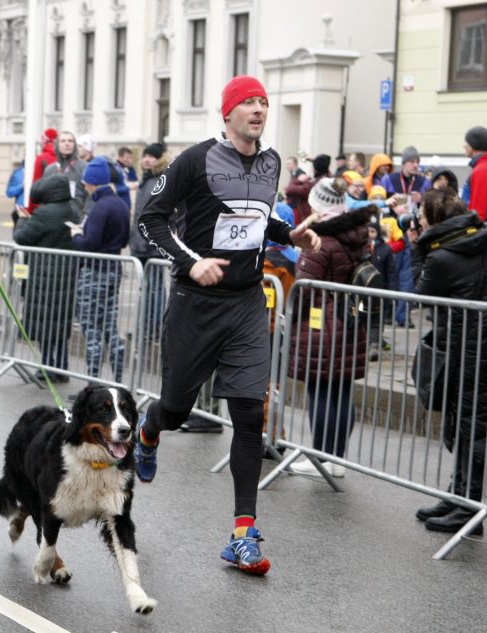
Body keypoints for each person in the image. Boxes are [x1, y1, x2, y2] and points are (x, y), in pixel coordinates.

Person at [135, 74, 320, 575]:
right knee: (175, 410)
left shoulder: (271, 161)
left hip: (245, 304)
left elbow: (257, 221)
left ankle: (243, 534)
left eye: (263, 102)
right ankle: (149, 431)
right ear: (228, 113)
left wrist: (291, 237)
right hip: (196, 302)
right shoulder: (195, 160)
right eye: (248, 103)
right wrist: (192, 262)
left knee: (248, 416)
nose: (259, 109)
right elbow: (150, 220)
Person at [410, 188, 487, 534]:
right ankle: (459, 496)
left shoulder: (442, 256)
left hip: (465, 345)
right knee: (471, 417)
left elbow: (420, 293)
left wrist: (417, 247)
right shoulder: (480, 238)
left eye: (422, 218)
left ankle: (468, 506)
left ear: (435, 220)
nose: (418, 223)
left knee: (469, 421)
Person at [287, 178, 370, 478]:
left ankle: (320, 458)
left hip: (322, 324)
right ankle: (337, 459)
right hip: (351, 319)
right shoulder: (358, 235)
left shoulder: (318, 241)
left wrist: (291, 317)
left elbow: (304, 289)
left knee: (320, 391)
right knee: (342, 391)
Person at [71, 157, 131, 382]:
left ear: (92, 183)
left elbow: (89, 244)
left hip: (94, 273)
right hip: (113, 270)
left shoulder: (100, 207)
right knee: (110, 327)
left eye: (86, 182)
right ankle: (117, 381)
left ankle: (93, 384)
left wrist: (77, 234)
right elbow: (124, 241)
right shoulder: (120, 204)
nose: (84, 187)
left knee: (91, 329)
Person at [13, 174, 78, 382]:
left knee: (45, 322)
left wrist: (22, 219)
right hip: (66, 274)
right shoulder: (73, 209)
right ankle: (61, 368)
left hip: (43, 274)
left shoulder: (44, 213)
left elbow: (21, 238)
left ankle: (46, 368)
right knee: (60, 321)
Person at [130, 143, 169, 344]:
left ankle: (154, 329)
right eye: (145, 155)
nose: (147, 159)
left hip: (152, 247)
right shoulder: (146, 180)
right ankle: (145, 327)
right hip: (140, 244)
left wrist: (149, 241)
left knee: (155, 290)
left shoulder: (160, 181)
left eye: (152, 156)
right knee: (145, 289)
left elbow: (158, 215)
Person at [43, 131, 88, 219]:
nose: (67, 144)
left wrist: (84, 217)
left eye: (70, 141)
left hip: (77, 220)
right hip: (54, 220)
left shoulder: (85, 168)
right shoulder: (50, 170)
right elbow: (44, 196)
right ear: (57, 145)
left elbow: (90, 196)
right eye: (63, 141)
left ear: (75, 145)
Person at [286, 153, 330, 225]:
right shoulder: (328, 180)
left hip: (310, 219)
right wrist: (315, 161)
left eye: (289, 163)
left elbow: (289, 190)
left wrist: (299, 180)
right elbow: (326, 170)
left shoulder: (311, 184)